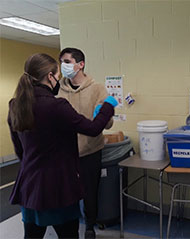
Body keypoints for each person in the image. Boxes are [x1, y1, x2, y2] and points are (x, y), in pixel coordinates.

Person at [7, 53, 117, 238]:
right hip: (58, 187)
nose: (59, 78)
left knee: (31, 235)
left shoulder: (15, 105)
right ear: (50, 76)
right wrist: (107, 107)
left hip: (29, 185)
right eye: (57, 74)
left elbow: (20, 151)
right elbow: (92, 129)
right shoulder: (56, 106)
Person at [57, 48, 113, 238]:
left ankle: (90, 226)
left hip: (90, 150)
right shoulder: (57, 90)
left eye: (67, 61)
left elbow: (108, 121)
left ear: (80, 64)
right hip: (65, 153)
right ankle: (69, 225)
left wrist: (103, 116)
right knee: (66, 192)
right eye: (61, 62)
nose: (63, 66)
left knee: (90, 193)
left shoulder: (97, 88)